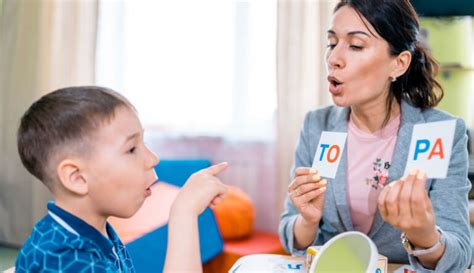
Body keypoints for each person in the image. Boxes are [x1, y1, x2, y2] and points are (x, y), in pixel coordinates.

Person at [278, 0, 471, 272]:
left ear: (399, 64)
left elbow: (461, 253)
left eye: (356, 45)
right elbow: (290, 231)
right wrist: (307, 221)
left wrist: (425, 237)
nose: (334, 59)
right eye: (332, 43)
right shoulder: (316, 125)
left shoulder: (442, 132)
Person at [15, 86, 228, 273]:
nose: (153, 159)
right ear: (77, 177)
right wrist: (184, 213)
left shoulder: (95, 230)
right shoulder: (63, 258)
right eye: (132, 149)